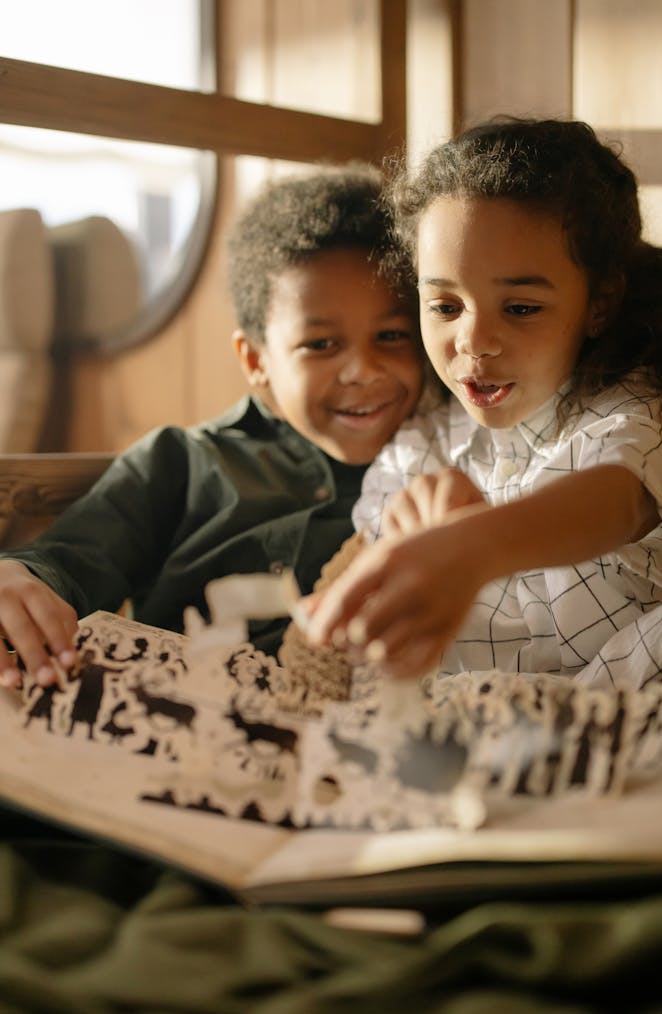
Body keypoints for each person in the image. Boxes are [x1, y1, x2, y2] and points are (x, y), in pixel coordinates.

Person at [305, 117, 662, 688]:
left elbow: (615, 499)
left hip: (651, 723)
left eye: (520, 308)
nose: (473, 340)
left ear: (600, 302)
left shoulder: (628, 408)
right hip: (477, 746)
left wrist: (472, 546)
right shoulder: (423, 442)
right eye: (444, 306)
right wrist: (407, 534)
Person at [0, 165, 424, 689]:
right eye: (320, 344)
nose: (363, 370)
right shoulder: (183, 460)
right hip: (186, 726)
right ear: (255, 359)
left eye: (392, 335)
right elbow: (71, 560)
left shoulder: (445, 458)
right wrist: (21, 577)